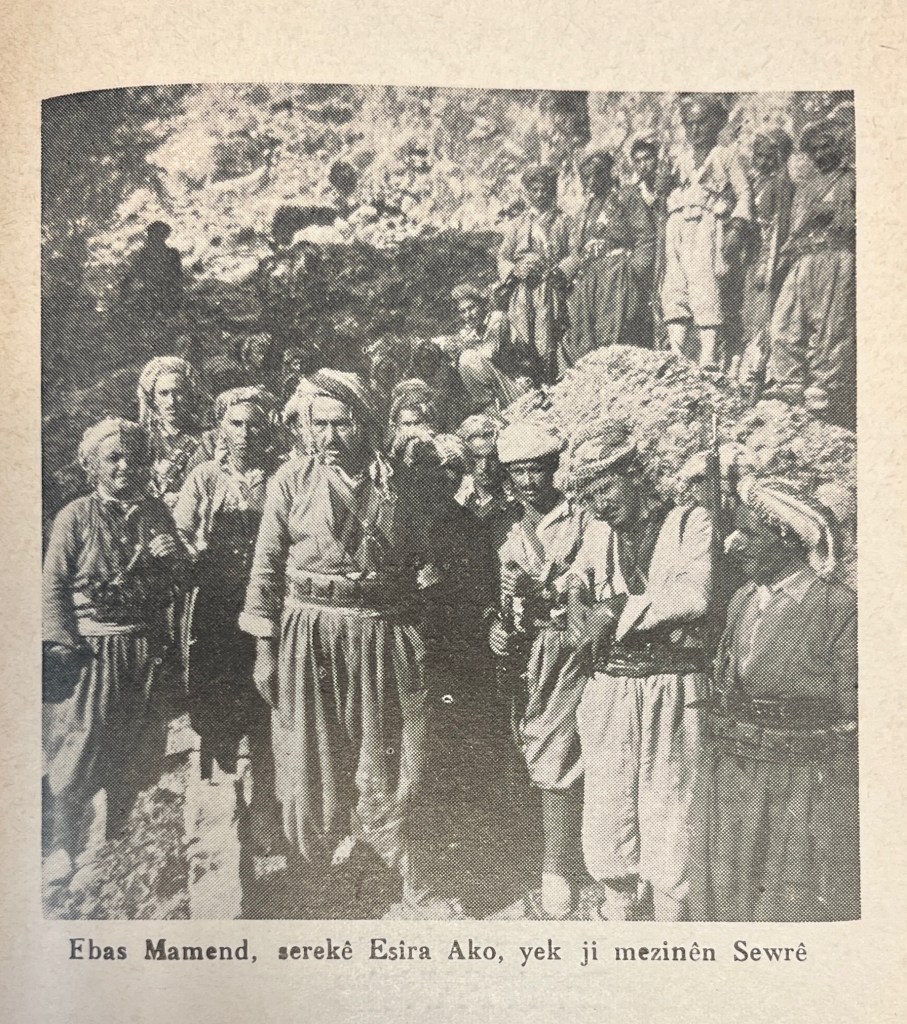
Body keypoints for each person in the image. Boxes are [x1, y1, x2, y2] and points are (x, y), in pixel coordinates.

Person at [238, 369, 441, 912]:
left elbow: (427, 557)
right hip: (309, 633)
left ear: (366, 422)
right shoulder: (291, 480)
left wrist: (423, 586)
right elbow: (266, 568)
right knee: (314, 758)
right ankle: (323, 879)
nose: (328, 438)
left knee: (394, 756)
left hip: (382, 628)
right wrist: (264, 648)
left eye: (342, 424)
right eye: (318, 425)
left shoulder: (399, 482)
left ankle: (411, 876)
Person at [562, 422, 713, 921]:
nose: (598, 504)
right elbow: (580, 575)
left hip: (673, 686)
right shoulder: (602, 531)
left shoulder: (691, 522)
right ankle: (620, 902)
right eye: (587, 495)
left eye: (604, 489)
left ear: (635, 474)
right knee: (609, 802)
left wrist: (616, 610)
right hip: (611, 685)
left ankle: (673, 915)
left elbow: (694, 597)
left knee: (671, 803)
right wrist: (579, 595)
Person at [692, 475, 858, 921]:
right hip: (736, 761)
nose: (732, 544)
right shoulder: (743, 599)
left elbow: (852, 706)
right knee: (729, 880)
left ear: (785, 541)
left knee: (787, 884)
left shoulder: (837, 607)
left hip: (798, 771)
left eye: (749, 533)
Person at [42, 418, 186, 872]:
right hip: (92, 650)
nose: (125, 466)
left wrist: (173, 557)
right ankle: (63, 846)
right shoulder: (75, 517)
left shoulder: (156, 512)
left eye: (133, 457)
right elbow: (53, 588)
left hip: (144, 648)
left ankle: (119, 842)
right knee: (80, 746)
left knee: (139, 746)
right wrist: (63, 646)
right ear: (92, 466)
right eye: (113, 458)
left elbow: (175, 586)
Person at [488, 421, 588, 918]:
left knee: (557, 753)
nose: (529, 483)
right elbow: (490, 597)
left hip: (572, 646)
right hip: (527, 655)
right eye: (519, 473)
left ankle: (557, 869)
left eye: (538, 471)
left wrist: (543, 589)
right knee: (528, 749)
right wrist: (496, 626)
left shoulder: (582, 521)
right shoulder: (502, 527)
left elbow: (592, 586)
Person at [172, 388, 281, 847]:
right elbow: (178, 529)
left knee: (268, 704)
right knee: (217, 702)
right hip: (216, 606)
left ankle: (270, 816)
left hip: (267, 599)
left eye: (254, 424)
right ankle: (219, 815)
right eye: (235, 424)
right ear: (221, 427)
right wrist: (190, 545)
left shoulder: (280, 475)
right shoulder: (204, 477)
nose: (245, 434)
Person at [766, 119, 856, 429]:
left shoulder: (851, 181)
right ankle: (789, 383)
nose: (820, 153)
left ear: (839, 147)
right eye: (814, 148)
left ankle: (823, 388)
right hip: (804, 258)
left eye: (826, 146)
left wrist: (832, 215)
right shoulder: (805, 186)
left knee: (830, 325)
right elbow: (793, 228)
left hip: (836, 256)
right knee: (784, 322)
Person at [661, 95, 753, 370]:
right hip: (677, 225)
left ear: (716, 124)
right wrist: (664, 183)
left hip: (706, 226)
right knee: (675, 286)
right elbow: (666, 193)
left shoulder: (725, 156)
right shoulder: (681, 158)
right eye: (689, 124)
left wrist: (737, 227)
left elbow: (744, 193)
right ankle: (677, 353)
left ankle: (709, 356)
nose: (695, 130)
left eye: (702, 123)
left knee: (705, 285)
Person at [559, 151, 656, 365]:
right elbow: (577, 251)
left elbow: (646, 237)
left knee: (615, 333)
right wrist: (562, 274)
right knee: (584, 339)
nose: (592, 181)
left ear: (609, 173)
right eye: (587, 177)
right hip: (589, 279)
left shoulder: (626, 196)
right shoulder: (585, 209)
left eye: (598, 174)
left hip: (617, 274)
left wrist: (634, 271)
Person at [497, 164, 572, 383]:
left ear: (552, 191)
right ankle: (529, 382)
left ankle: (552, 380)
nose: (540, 195)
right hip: (522, 290)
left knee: (548, 334)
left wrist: (561, 271)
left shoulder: (563, 221)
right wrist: (515, 270)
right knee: (522, 333)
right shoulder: (517, 224)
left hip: (551, 287)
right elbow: (503, 256)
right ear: (527, 193)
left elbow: (575, 253)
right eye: (534, 190)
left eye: (545, 190)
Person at [738, 130, 795, 385]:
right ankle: (749, 372)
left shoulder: (781, 183)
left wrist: (767, 265)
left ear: (779, 157)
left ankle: (759, 373)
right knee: (749, 315)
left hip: (766, 259)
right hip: (751, 257)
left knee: (764, 315)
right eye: (757, 156)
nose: (761, 162)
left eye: (767, 157)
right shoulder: (757, 181)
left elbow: (778, 227)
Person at [438, 285, 535, 413]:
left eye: (472, 308)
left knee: (467, 358)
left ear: (482, 305)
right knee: (459, 364)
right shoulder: (472, 331)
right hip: (503, 388)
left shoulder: (497, 319)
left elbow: (488, 353)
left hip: (521, 388)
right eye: (463, 311)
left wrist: (460, 344)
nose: (468, 315)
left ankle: (493, 411)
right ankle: (492, 411)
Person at [137, 356, 210, 509]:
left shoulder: (209, 440)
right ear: (153, 399)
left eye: (179, 393)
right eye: (163, 393)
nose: (172, 402)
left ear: (190, 395)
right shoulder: (141, 441)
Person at [455, 414, 517, 524]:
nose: (484, 467)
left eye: (492, 458)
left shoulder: (520, 493)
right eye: (476, 458)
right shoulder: (461, 499)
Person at [120, 221, 184, 319]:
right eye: (152, 234)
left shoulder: (172, 254)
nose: (153, 238)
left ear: (164, 236)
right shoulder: (143, 254)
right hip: (148, 296)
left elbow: (178, 277)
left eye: (158, 234)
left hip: (166, 295)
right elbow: (132, 275)